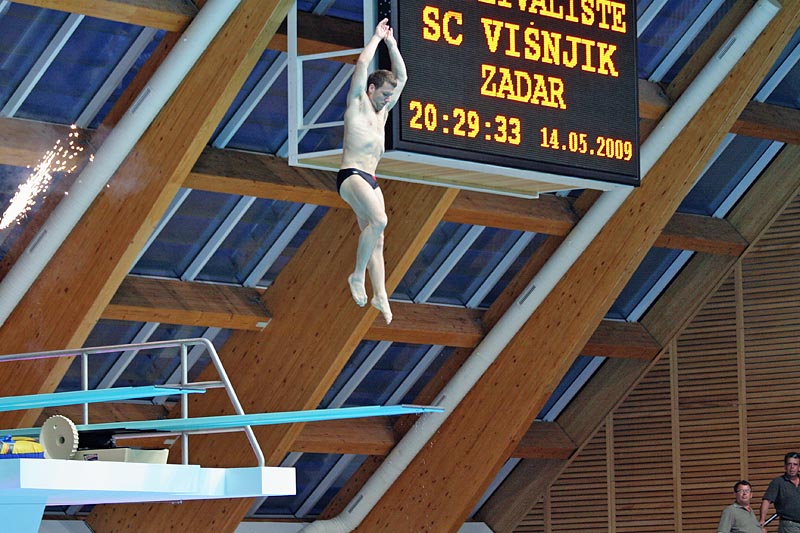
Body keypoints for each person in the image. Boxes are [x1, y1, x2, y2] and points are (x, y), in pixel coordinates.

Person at [337, 18, 407, 325]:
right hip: (351, 175)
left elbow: (403, 77)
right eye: (383, 94)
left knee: (378, 236)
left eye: (390, 96)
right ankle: (356, 275)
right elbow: (363, 63)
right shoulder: (357, 104)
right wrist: (378, 38)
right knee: (379, 220)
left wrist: (393, 45)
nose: (387, 99)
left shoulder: (382, 114)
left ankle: (380, 293)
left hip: (371, 179)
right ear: (370, 89)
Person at [761, 452, 800, 532]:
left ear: (799, 467)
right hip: (789, 524)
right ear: (785, 467)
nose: (792, 467)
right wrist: (762, 519)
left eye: (795, 464)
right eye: (789, 464)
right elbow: (766, 501)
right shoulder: (778, 482)